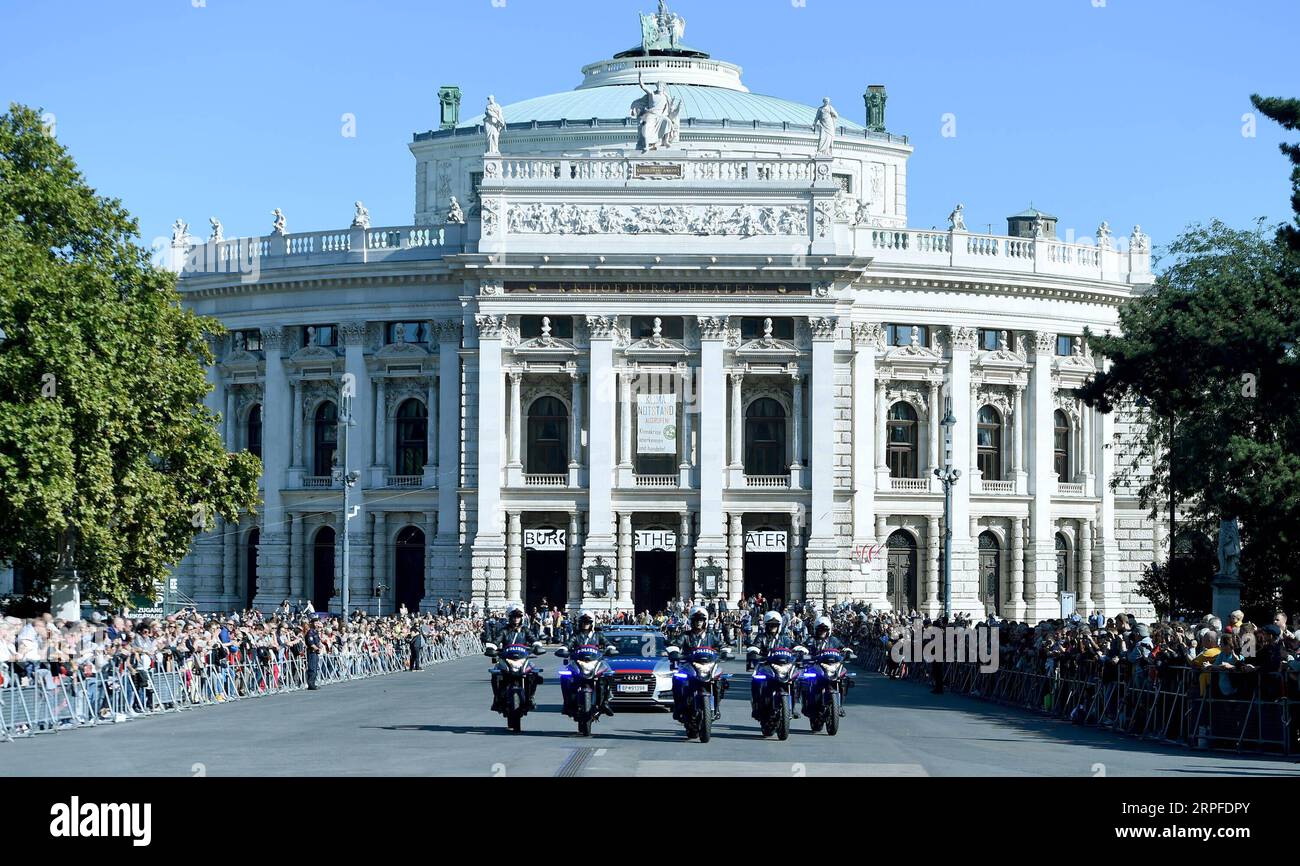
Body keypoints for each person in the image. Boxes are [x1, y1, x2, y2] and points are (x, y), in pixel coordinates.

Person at [671, 606, 726, 722]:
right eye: (696, 620)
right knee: (677, 680)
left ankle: (716, 707)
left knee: (720, 680)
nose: (698, 623)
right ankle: (678, 707)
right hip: (689, 665)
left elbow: (721, 645)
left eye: (701, 620)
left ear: (705, 622)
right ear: (692, 621)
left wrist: (725, 652)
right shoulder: (685, 635)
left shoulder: (710, 636)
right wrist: (675, 651)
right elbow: (677, 644)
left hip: (708, 665)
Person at [560, 610, 615, 717]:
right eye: (584, 622)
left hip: (595, 663)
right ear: (580, 623)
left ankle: (605, 702)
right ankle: (567, 703)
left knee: (608, 674)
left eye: (588, 622)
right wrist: (563, 648)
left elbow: (607, 643)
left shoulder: (598, 635)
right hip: (578, 663)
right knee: (564, 677)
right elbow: (568, 643)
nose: (586, 624)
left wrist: (611, 648)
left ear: (592, 623)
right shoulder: (575, 636)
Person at [487, 603, 540, 712]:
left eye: (518, 616)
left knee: (533, 673)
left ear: (522, 618)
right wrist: (492, 648)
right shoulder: (504, 630)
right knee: (496, 674)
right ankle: (497, 698)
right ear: (510, 617)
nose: (516, 619)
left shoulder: (525, 630)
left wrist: (537, 646)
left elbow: (533, 639)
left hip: (522, 660)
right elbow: (496, 641)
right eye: (514, 616)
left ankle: (530, 697)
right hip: (507, 660)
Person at [749, 611, 800, 719]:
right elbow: (755, 646)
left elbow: (793, 645)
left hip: (783, 666)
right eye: (771, 625)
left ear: (779, 626)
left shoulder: (784, 638)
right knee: (756, 681)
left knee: (795, 680)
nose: (773, 627)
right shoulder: (761, 637)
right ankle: (757, 706)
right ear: (766, 625)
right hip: (766, 665)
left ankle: (793, 707)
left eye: (775, 625)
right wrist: (754, 650)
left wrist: (800, 648)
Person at [304, 619, 323, 690]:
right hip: (311, 652)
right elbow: (311, 643)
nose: (317, 624)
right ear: (311, 623)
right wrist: (317, 649)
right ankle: (311, 684)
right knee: (312, 668)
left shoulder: (315, 632)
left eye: (318, 623)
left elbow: (318, 642)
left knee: (315, 668)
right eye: (315, 623)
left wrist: (320, 646)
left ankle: (313, 683)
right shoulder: (310, 632)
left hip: (316, 652)